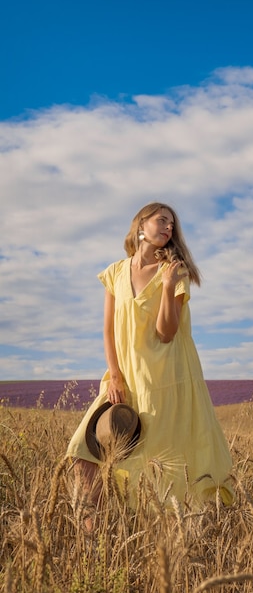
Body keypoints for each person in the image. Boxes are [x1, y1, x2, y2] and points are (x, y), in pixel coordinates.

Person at [66, 202, 234, 519]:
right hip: (124, 379)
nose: (169, 227)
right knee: (83, 454)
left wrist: (168, 286)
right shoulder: (116, 271)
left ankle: (166, 538)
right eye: (162, 220)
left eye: (172, 224)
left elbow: (166, 332)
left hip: (164, 381)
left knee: (158, 470)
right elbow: (107, 330)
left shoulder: (174, 271)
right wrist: (114, 376)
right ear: (141, 224)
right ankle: (93, 543)